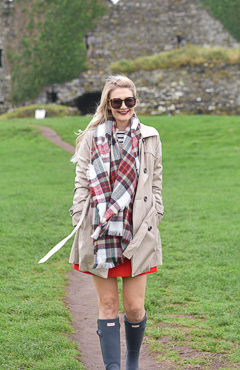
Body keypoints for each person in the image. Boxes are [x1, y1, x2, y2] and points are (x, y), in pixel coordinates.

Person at [68, 74, 163, 370]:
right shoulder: (91, 137)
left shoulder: (150, 136)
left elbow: (156, 182)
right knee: (108, 306)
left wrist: (155, 212)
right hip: (100, 231)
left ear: (135, 102)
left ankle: (132, 361)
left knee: (134, 308)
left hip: (136, 230)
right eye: (117, 101)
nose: (124, 106)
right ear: (108, 104)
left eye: (129, 101)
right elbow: (81, 181)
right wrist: (79, 212)